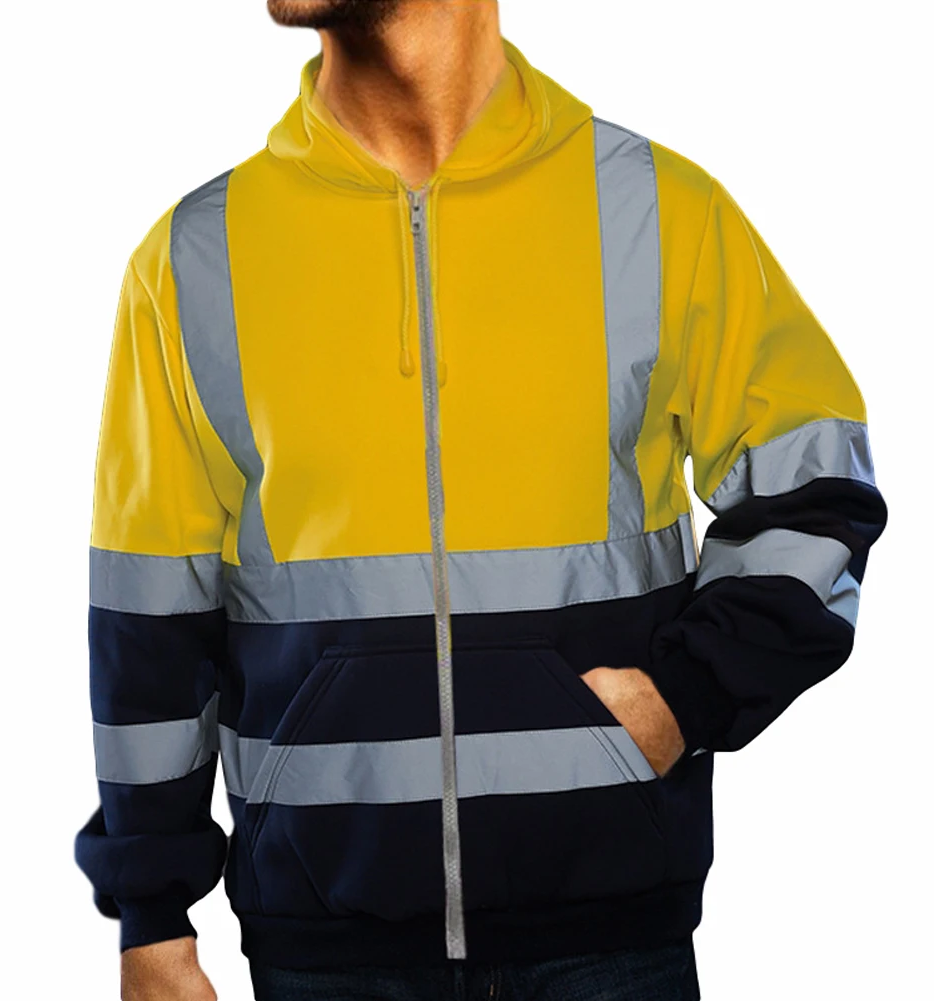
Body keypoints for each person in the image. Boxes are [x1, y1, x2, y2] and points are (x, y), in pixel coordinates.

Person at [74, 1, 889, 998]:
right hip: (325, 947)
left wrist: (688, 692)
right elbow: (149, 614)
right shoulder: (194, 259)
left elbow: (815, 486)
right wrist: (151, 917)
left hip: (608, 937)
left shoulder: (653, 212)